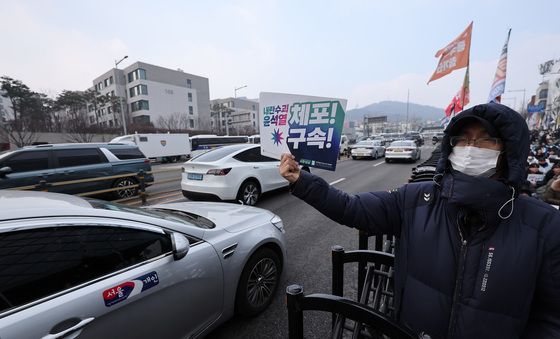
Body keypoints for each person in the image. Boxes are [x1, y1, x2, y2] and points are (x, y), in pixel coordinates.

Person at [279, 103, 560, 338]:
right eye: (463, 139)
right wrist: (302, 181)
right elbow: (352, 208)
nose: (471, 147)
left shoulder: (543, 226)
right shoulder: (415, 200)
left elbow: (551, 317)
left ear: (508, 150)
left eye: (485, 139)